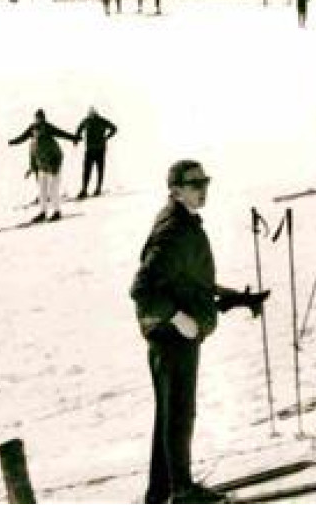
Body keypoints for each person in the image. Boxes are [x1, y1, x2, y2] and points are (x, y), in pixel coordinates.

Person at [131, 160, 268, 504]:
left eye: (205, 182)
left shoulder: (183, 223)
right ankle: (181, 491)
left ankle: (161, 491)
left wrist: (236, 298)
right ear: (175, 190)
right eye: (194, 184)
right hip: (170, 336)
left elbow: (189, 283)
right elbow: (142, 288)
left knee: (171, 410)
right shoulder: (173, 229)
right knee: (178, 411)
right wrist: (178, 317)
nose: (202, 189)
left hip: (176, 334)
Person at [7, 110, 79, 222]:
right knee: (42, 191)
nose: (36, 132)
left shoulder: (48, 133)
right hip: (42, 168)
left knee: (52, 190)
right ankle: (43, 212)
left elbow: (61, 134)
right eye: (36, 119)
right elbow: (24, 141)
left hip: (54, 166)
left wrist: (74, 138)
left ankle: (57, 212)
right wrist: (12, 142)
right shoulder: (33, 141)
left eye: (40, 120)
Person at [74, 106, 119, 198]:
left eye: (92, 113)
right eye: (90, 113)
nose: (91, 114)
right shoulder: (87, 120)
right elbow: (79, 129)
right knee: (87, 170)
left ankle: (97, 189)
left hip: (99, 149)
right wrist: (76, 139)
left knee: (99, 169)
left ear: (95, 113)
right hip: (91, 149)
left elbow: (114, 128)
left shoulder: (100, 120)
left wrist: (106, 137)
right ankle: (85, 189)